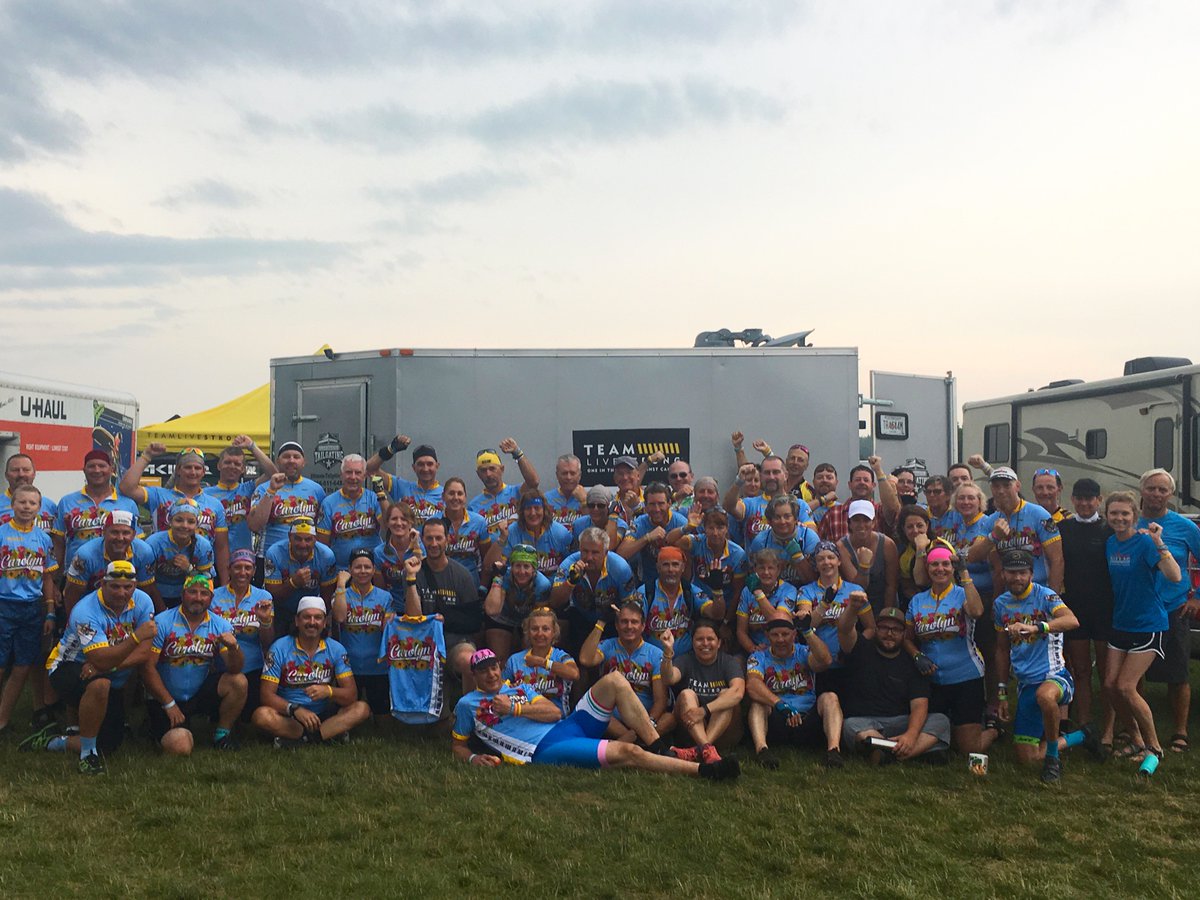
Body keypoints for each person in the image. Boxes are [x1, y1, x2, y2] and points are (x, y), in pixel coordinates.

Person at [451, 648, 739, 779]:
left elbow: (552, 713)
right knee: (628, 753)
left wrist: (514, 707)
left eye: (493, 668)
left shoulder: (520, 688)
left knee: (614, 680)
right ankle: (705, 771)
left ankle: (660, 748)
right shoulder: (467, 704)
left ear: (500, 668)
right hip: (541, 749)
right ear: (473, 675)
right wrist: (475, 758)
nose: (490, 675)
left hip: (564, 726)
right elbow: (458, 745)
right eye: (482, 671)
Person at [26, 561, 156, 775]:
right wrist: (135, 637)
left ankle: (55, 742)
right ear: (103, 584)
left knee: (109, 743)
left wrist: (108, 667)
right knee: (100, 685)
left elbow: (143, 653)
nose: (122, 593)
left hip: (101, 669)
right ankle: (88, 757)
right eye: (115, 586)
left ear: (135, 586)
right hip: (67, 666)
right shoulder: (85, 610)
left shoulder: (143, 602)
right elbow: (102, 659)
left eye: (127, 587)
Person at [993, 549, 1091, 783]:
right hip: (1026, 683)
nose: (1017, 578)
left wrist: (1038, 628)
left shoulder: (1045, 596)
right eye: (1012, 572)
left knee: (1045, 696)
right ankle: (1084, 735)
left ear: (1031, 573)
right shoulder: (1000, 604)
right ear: (1004, 574)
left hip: (1055, 676)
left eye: (1022, 573)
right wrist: (1002, 692)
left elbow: (1072, 620)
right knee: (1026, 758)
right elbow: (1001, 650)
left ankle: (1053, 759)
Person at [1102, 491, 1182, 774]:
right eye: (1114, 513)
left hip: (1149, 625)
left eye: (1125, 513)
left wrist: (1159, 542)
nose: (1119, 518)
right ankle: (1134, 738)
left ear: (1134, 516)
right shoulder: (1110, 543)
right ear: (1107, 516)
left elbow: (1175, 576)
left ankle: (1154, 746)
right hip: (1120, 623)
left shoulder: (1146, 543)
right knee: (1110, 685)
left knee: (1126, 686)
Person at [905, 545, 997, 754]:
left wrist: (964, 572)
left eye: (945, 564)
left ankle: (993, 730)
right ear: (927, 569)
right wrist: (916, 655)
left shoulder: (962, 594)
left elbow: (977, 611)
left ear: (952, 567)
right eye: (934, 564)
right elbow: (907, 638)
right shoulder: (917, 601)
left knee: (967, 748)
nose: (940, 569)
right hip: (933, 680)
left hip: (966, 677)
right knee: (937, 742)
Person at [141, 573, 246, 754]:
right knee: (180, 746)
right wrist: (169, 704)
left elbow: (234, 668)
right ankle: (154, 726)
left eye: (204, 594)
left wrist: (234, 647)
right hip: (164, 697)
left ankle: (222, 735)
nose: (198, 598)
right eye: (192, 592)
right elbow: (147, 667)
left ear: (211, 598)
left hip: (198, 693)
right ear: (183, 595)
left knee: (238, 681)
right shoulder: (162, 622)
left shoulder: (220, 625)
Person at [837, 598, 951, 764]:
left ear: (904, 634)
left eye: (896, 629)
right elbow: (844, 630)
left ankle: (887, 752)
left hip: (901, 722)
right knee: (850, 725)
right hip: (867, 722)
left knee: (941, 720)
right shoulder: (860, 648)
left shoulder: (912, 662)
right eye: (884, 628)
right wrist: (853, 608)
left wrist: (911, 735)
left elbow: (919, 704)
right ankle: (913, 752)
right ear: (876, 629)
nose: (889, 633)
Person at [1136, 468, 1200, 754]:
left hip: (1174, 609)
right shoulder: (1128, 520)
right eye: (1151, 488)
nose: (1157, 494)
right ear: (1142, 490)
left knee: (1178, 675)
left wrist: (1197, 597)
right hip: (1137, 611)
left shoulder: (1184, 526)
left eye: (1163, 490)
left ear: (1170, 494)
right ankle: (1134, 728)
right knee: (1134, 677)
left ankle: (1180, 731)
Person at [252, 596, 371, 747]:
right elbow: (266, 695)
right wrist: (294, 709)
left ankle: (304, 739)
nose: (312, 622)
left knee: (362, 708)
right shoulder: (279, 647)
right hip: (290, 715)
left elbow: (351, 695)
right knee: (260, 716)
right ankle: (325, 735)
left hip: (324, 714)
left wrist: (329, 691)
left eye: (318, 618)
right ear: (297, 621)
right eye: (306, 617)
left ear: (324, 622)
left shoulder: (336, 649)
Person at [119, 444, 229, 582]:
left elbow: (221, 547)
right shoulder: (159, 495)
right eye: (188, 467)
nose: (193, 472)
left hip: (198, 580)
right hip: (160, 579)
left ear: (203, 472)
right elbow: (126, 487)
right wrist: (146, 456)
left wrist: (225, 584)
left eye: (197, 468)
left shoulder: (215, 504)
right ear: (178, 470)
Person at [746, 615, 842, 768]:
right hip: (778, 716)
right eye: (775, 635)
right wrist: (779, 704)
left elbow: (825, 661)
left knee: (830, 697)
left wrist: (808, 632)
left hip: (807, 716)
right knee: (758, 704)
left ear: (794, 634)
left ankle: (833, 751)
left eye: (785, 634)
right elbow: (752, 684)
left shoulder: (803, 652)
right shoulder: (758, 656)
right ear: (767, 636)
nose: (780, 640)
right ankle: (762, 751)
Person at [0, 483, 59, 735]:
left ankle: (2, 721)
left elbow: (47, 577)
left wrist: (49, 610)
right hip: (4, 605)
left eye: (32, 503)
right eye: (21, 502)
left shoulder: (43, 539)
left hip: (31, 609)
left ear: (39, 508)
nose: (26, 507)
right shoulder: (2, 534)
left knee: (23, 666)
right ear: (12, 504)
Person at [1057, 478, 1113, 734]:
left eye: (1090, 499)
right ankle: (1085, 722)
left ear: (1098, 500)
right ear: (1073, 500)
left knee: (1105, 671)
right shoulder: (1062, 528)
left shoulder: (1109, 529)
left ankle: (1109, 727)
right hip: (1075, 607)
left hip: (1104, 607)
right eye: (1079, 498)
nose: (1084, 503)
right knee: (1079, 669)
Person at [402, 517, 483, 691]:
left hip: (455, 642)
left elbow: (474, 621)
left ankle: (468, 711)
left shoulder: (462, 575)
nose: (434, 543)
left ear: (448, 540)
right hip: (422, 645)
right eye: (429, 538)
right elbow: (413, 617)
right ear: (422, 540)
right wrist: (410, 579)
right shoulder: (413, 571)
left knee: (469, 661)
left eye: (439, 538)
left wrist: (446, 619)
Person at [579, 600, 673, 742]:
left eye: (634, 622)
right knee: (595, 713)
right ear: (617, 626)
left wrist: (648, 723)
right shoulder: (607, 645)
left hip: (645, 718)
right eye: (624, 622)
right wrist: (601, 622)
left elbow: (660, 700)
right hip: (613, 720)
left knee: (669, 718)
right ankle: (639, 741)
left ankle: (630, 741)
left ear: (643, 627)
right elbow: (585, 659)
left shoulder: (655, 653)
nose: (629, 626)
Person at [967, 467, 1064, 594]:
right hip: (1008, 596)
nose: (1001, 491)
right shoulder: (991, 521)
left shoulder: (1039, 514)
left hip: (1038, 592)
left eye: (1007, 485)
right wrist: (993, 537)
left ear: (1017, 486)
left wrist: (1052, 598)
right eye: (996, 486)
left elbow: (1057, 559)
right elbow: (972, 557)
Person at [800, 540, 875, 699]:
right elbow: (807, 624)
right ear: (815, 564)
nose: (826, 562)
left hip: (849, 661)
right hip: (820, 663)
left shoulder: (854, 590)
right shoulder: (806, 591)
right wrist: (824, 603)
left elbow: (871, 628)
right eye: (821, 559)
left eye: (830, 557)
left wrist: (855, 648)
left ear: (839, 561)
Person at [660, 619, 745, 757]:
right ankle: (707, 750)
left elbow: (738, 692)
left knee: (727, 694)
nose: (705, 643)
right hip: (690, 729)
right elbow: (668, 678)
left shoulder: (728, 662)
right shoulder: (685, 660)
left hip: (725, 731)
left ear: (719, 643)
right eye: (699, 639)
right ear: (692, 642)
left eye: (710, 639)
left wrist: (704, 710)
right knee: (686, 694)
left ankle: (702, 749)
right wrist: (668, 652)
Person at [331, 550, 396, 724]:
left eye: (367, 567)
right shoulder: (341, 594)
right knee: (347, 716)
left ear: (374, 569)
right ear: (350, 570)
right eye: (358, 567)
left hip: (377, 665)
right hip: (349, 666)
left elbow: (388, 629)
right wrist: (340, 585)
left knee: (384, 722)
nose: (363, 571)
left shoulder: (385, 597)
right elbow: (339, 617)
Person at [550, 527, 638, 655]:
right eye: (585, 551)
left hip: (611, 620)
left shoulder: (620, 567)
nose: (589, 557)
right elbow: (554, 602)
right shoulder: (568, 564)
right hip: (580, 617)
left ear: (606, 552)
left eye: (595, 552)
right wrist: (571, 582)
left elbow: (630, 606)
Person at [210, 549, 274, 719]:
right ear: (229, 569)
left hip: (253, 666)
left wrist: (265, 621)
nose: (242, 573)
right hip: (221, 666)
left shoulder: (263, 596)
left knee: (248, 719)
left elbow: (267, 643)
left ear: (254, 571)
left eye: (248, 568)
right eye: (237, 567)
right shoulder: (214, 596)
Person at [51, 449, 140, 570]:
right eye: (91, 466)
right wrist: (56, 577)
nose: (97, 470)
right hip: (77, 572)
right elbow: (58, 543)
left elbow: (137, 543)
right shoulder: (67, 502)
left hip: (118, 574)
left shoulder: (128, 504)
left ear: (111, 469)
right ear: (84, 470)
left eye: (102, 466)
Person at [63, 509, 159, 612]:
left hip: (128, 607)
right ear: (104, 532)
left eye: (126, 533)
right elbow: (71, 594)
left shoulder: (144, 552)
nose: (120, 538)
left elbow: (146, 592)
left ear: (134, 534)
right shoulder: (85, 555)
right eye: (114, 532)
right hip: (90, 608)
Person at [247, 441, 326, 554]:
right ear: (278, 462)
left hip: (306, 557)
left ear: (304, 462)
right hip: (270, 557)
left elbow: (323, 528)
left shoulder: (316, 489)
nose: (291, 460)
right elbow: (254, 525)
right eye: (286, 456)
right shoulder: (264, 489)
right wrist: (271, 492)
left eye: (296, 457)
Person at [204, 436, 278, 555]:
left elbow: (273, 473)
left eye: (237, 464)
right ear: (219, 465)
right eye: (227, 462)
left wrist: (252, 446)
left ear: (243, 468)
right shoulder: (205, 494)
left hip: (243, 559)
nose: (232, 466)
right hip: (213, 557)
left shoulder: (248, 488)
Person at [501, 607, 580, 715]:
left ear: (554, 632)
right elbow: (500, 690)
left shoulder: (561, 656)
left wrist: (543, 663)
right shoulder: (514, 660)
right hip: (524, 719)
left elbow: (574, 674)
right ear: (527, 632)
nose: (539, 634)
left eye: (545, 629)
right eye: (534, 629)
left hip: (557, 720)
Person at [641, 546, 716, 656]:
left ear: (683, 567)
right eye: (666, 565)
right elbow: (633, 624)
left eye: (675, 564)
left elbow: (715, 614)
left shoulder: (690, 591)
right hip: (652, 659)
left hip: (685, 660)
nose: (671, 570)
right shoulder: (645, 592)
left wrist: (718, 592)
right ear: (658, 567)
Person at [316, 454, 386, 570]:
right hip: (341, 570)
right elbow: (323, 544)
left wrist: (381, 495)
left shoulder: (374, 498)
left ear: (364, 476)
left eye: (358, 473)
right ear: (341, 475)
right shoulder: (328, 503)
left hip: (371, 569)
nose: (353, 477)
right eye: (348, 472)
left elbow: (386, 526)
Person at [679, 507, 747, 625]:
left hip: (726, 607)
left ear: (727, 528)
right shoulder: (698, 542)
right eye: (711, 528)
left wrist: (726, 622)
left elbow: (738, 592)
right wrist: (688, 527)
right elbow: (670, 540)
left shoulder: (738, 554)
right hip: (698, 601)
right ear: (704, 529)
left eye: (720, 528)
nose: (715, 533)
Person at [483, 544, 551, 661]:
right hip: (503, 616)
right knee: (499, 658)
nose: (521, 571)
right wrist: (498, 577)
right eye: (517, 566)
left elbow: (539, 617)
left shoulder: (542, 584)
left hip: (528, 618)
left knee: (530, 656)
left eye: (526, 567)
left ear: (534, 569)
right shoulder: (505, 575)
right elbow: (491, 610)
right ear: (511, 567)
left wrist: (528, 632)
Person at [144, 499, 215, 610]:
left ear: (197, 524)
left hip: (188, 596)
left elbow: (207, 582)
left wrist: (189, 568)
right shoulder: (153, 543)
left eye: (191, 522)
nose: (184, 526)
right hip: (155, 595)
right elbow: (146, 583)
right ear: (170, 520)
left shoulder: (203, 546)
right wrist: (162, 610)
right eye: (179, 520)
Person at [264, 519, 337, 625]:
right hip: (282, 610)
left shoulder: (326, 556)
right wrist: (293, 583)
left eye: (308, 540)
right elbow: (272, 596)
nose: (303, 544)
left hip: (312, 611)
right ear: (289, 537)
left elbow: (327, 597)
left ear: (315, 539)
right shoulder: (274, 553)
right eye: (298, 539)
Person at [618, 482, 687, 587]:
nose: (657, 509)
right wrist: (647, 538)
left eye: (661, 503)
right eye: (652, 504)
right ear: (645, 505)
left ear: (669, 503)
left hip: (677, 582)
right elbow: (621, 554)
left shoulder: (680, 522)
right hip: (647, 583)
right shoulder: (640, 523)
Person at [817, 456, 901, 543]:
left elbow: (892, 508)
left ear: (873, 486)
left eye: (866, 480)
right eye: (857, 480)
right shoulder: (832, 514)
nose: (862, 483)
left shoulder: (880, 512)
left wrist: (878, 471)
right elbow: (820, 545)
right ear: (849, 485)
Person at [836, 500, 898, 616]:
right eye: (856, 520)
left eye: (866, 520)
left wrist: (885, 616)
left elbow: (891, 585)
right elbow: (859, 588)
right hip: (855, 606)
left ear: (874, 522)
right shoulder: (841, 546)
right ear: (849, 523)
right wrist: (864, 565)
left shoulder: (887, 544)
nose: (861, 525)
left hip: (883, 602)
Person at [468, 439, 540, 540]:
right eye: (483, 470)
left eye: (492, 469)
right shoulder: (473, 506)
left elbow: (534, 482)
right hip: (493, 554)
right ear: (478, 474)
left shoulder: (516, 492)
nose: (488, 474)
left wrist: (517, 453)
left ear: (502, 469)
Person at [736, 548, 799, 655]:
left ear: (778, 570)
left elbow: (777, 621)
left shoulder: (789, 590)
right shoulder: (747, 592)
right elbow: (741, 631)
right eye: (761, 568)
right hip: (756, 650)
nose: (766, 572)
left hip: (784, 649)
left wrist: (758, 593)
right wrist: (753, 649)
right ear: (755, 570)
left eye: (770, 568)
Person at [366, 437, 445, 522]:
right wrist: (390, 450)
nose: (425, 469)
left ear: (437, 466)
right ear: (414, 467)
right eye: (420, 464)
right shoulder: (401, 487)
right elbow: (369, 469)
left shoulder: (447, 494)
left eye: (430, 464)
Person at [749, 496, 819, 588]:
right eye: (777, 517)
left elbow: (814, 581)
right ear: (769, 521)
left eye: (787, 516)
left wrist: (799, 558)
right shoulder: (760, 541)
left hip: (804, 592)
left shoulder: (809, 538)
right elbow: (754, 577)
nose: (782, 522)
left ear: (796, 519)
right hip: (771, 592)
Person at [442, 477, 493, 594]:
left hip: (471, 582)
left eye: (460, 494)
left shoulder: (479, 522)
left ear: (465, 498)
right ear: (443, 496)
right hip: (442, 582)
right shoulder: (434, 522)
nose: (455, 498)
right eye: (451, 493)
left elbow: (487, 560)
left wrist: (483, 587)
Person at [504, 492, 573, 578]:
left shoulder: (560, 533)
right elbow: (502, 564)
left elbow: (570, 563)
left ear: (544, 510)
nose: (533, 513)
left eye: (537, 508)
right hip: (521, 582)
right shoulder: (512, 532)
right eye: (528, 508)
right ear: (522, 512)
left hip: (554, 583)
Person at [373, 502, 422, 606]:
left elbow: (424, 578)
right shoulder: (379, 552)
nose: (399, 523)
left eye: (404, 519)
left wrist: (416, 546)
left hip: (419, 606)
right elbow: (380, 590)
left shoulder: (422, 547)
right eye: (394, 519)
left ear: (411, 523)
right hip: (392, 609)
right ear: (387, 523)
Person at [0, 453, 57, 531]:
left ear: (34, 474)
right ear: (6, 475)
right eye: (15, 470)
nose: (21, 474)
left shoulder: (50, 506)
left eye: (26, 470)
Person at [894, 505, 932, 610]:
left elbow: (922, 581)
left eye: (920, 525)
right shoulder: (904, 555)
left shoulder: (940, 546)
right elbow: (910, 586)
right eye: (910, 527)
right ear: (903, 529)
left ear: (927, 525)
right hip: (920, 603)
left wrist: (921, 549)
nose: (915, 531)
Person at [572, 485, 628, 550]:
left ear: (609, 507)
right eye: (591, 505)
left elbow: (609, 546)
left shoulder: (621, 525)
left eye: (601, 505)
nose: (595, 509)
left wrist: (613, 516)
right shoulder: (579, 524)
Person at [544, 454, 587, 526]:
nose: (569, 477)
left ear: (579, 475)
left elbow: (592, 526)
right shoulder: (545, 499)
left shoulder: (590, 499)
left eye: (572, 473)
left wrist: (584, 502)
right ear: (557, 475)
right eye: (564, 473)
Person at [923, 476, 956, 540]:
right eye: (928, 492)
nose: (931, 495)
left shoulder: (959, 515)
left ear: (948, 494)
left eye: (937, 491)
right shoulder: (922, 515)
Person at [808, 463, 839, 528]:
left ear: (836, 482)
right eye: (820, 478)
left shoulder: (843, 510)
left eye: (829, 478)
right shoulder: (807, 507)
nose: (824, 480)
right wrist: (825, 499)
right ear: (813, 482)